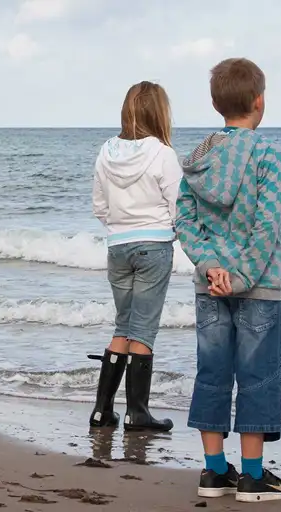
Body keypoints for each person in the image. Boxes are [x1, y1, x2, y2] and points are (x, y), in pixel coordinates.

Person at [176, 58, 281, 502]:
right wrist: (241, 276)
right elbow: (266, 226)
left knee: (212, 373)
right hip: (257, 286)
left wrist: (210, 266)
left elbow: (184, 220)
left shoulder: (199, 159)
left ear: (215, 104)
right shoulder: (269, 155)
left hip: (210, 285)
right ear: (259, 101)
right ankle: (252, 476)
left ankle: (213, 472)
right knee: (257, 376)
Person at [89, 81, 180, 432]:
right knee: (142, 329)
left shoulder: (106, 151)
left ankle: (102, 411)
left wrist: (120, 227)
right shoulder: (162, 153)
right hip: (153, 245)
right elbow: (178, 203)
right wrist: (173, 230)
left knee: (123, 325)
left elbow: (99, 206)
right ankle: (137, 413)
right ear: (160, 113)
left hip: (118, 246)